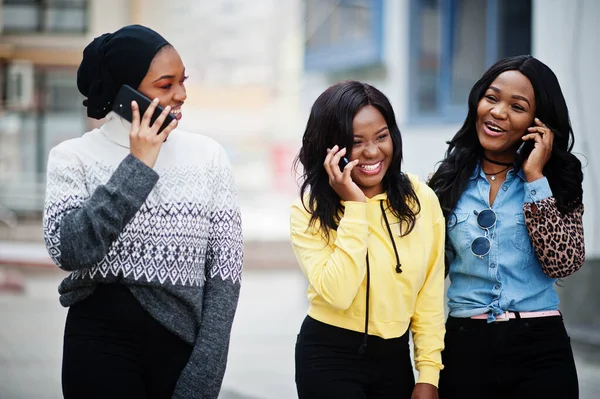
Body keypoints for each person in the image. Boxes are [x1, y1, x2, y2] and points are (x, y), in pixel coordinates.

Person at [42, 25, 243, 399]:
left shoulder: (208, 157)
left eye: (183, 81)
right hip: (98, 345)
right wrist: (138, 166)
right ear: (125, 92)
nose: (181, 95)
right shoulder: (73, 157)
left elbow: (225, 280)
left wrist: (205, 374)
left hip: (182, 346)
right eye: (165, 85)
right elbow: (69, 251)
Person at [428, 55, 585, 399]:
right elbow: (427, 274)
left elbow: (564, 262)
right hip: (465, 346)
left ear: (537, 121)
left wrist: (534, 177)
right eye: (492, 98)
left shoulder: (557, 180)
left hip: (541, 347)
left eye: (517, 106)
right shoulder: (445, 183)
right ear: (477, 102)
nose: (498, 112)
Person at [290, 80, 445, 399]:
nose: (373, 151)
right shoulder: (309, 210)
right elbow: (338, 293)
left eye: (382, 137)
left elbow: (429, 294)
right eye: (356, 141)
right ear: (329, 147)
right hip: (329, 358)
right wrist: (356, 208)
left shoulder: (421, 200)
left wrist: (428, 373)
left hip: (394, 360)